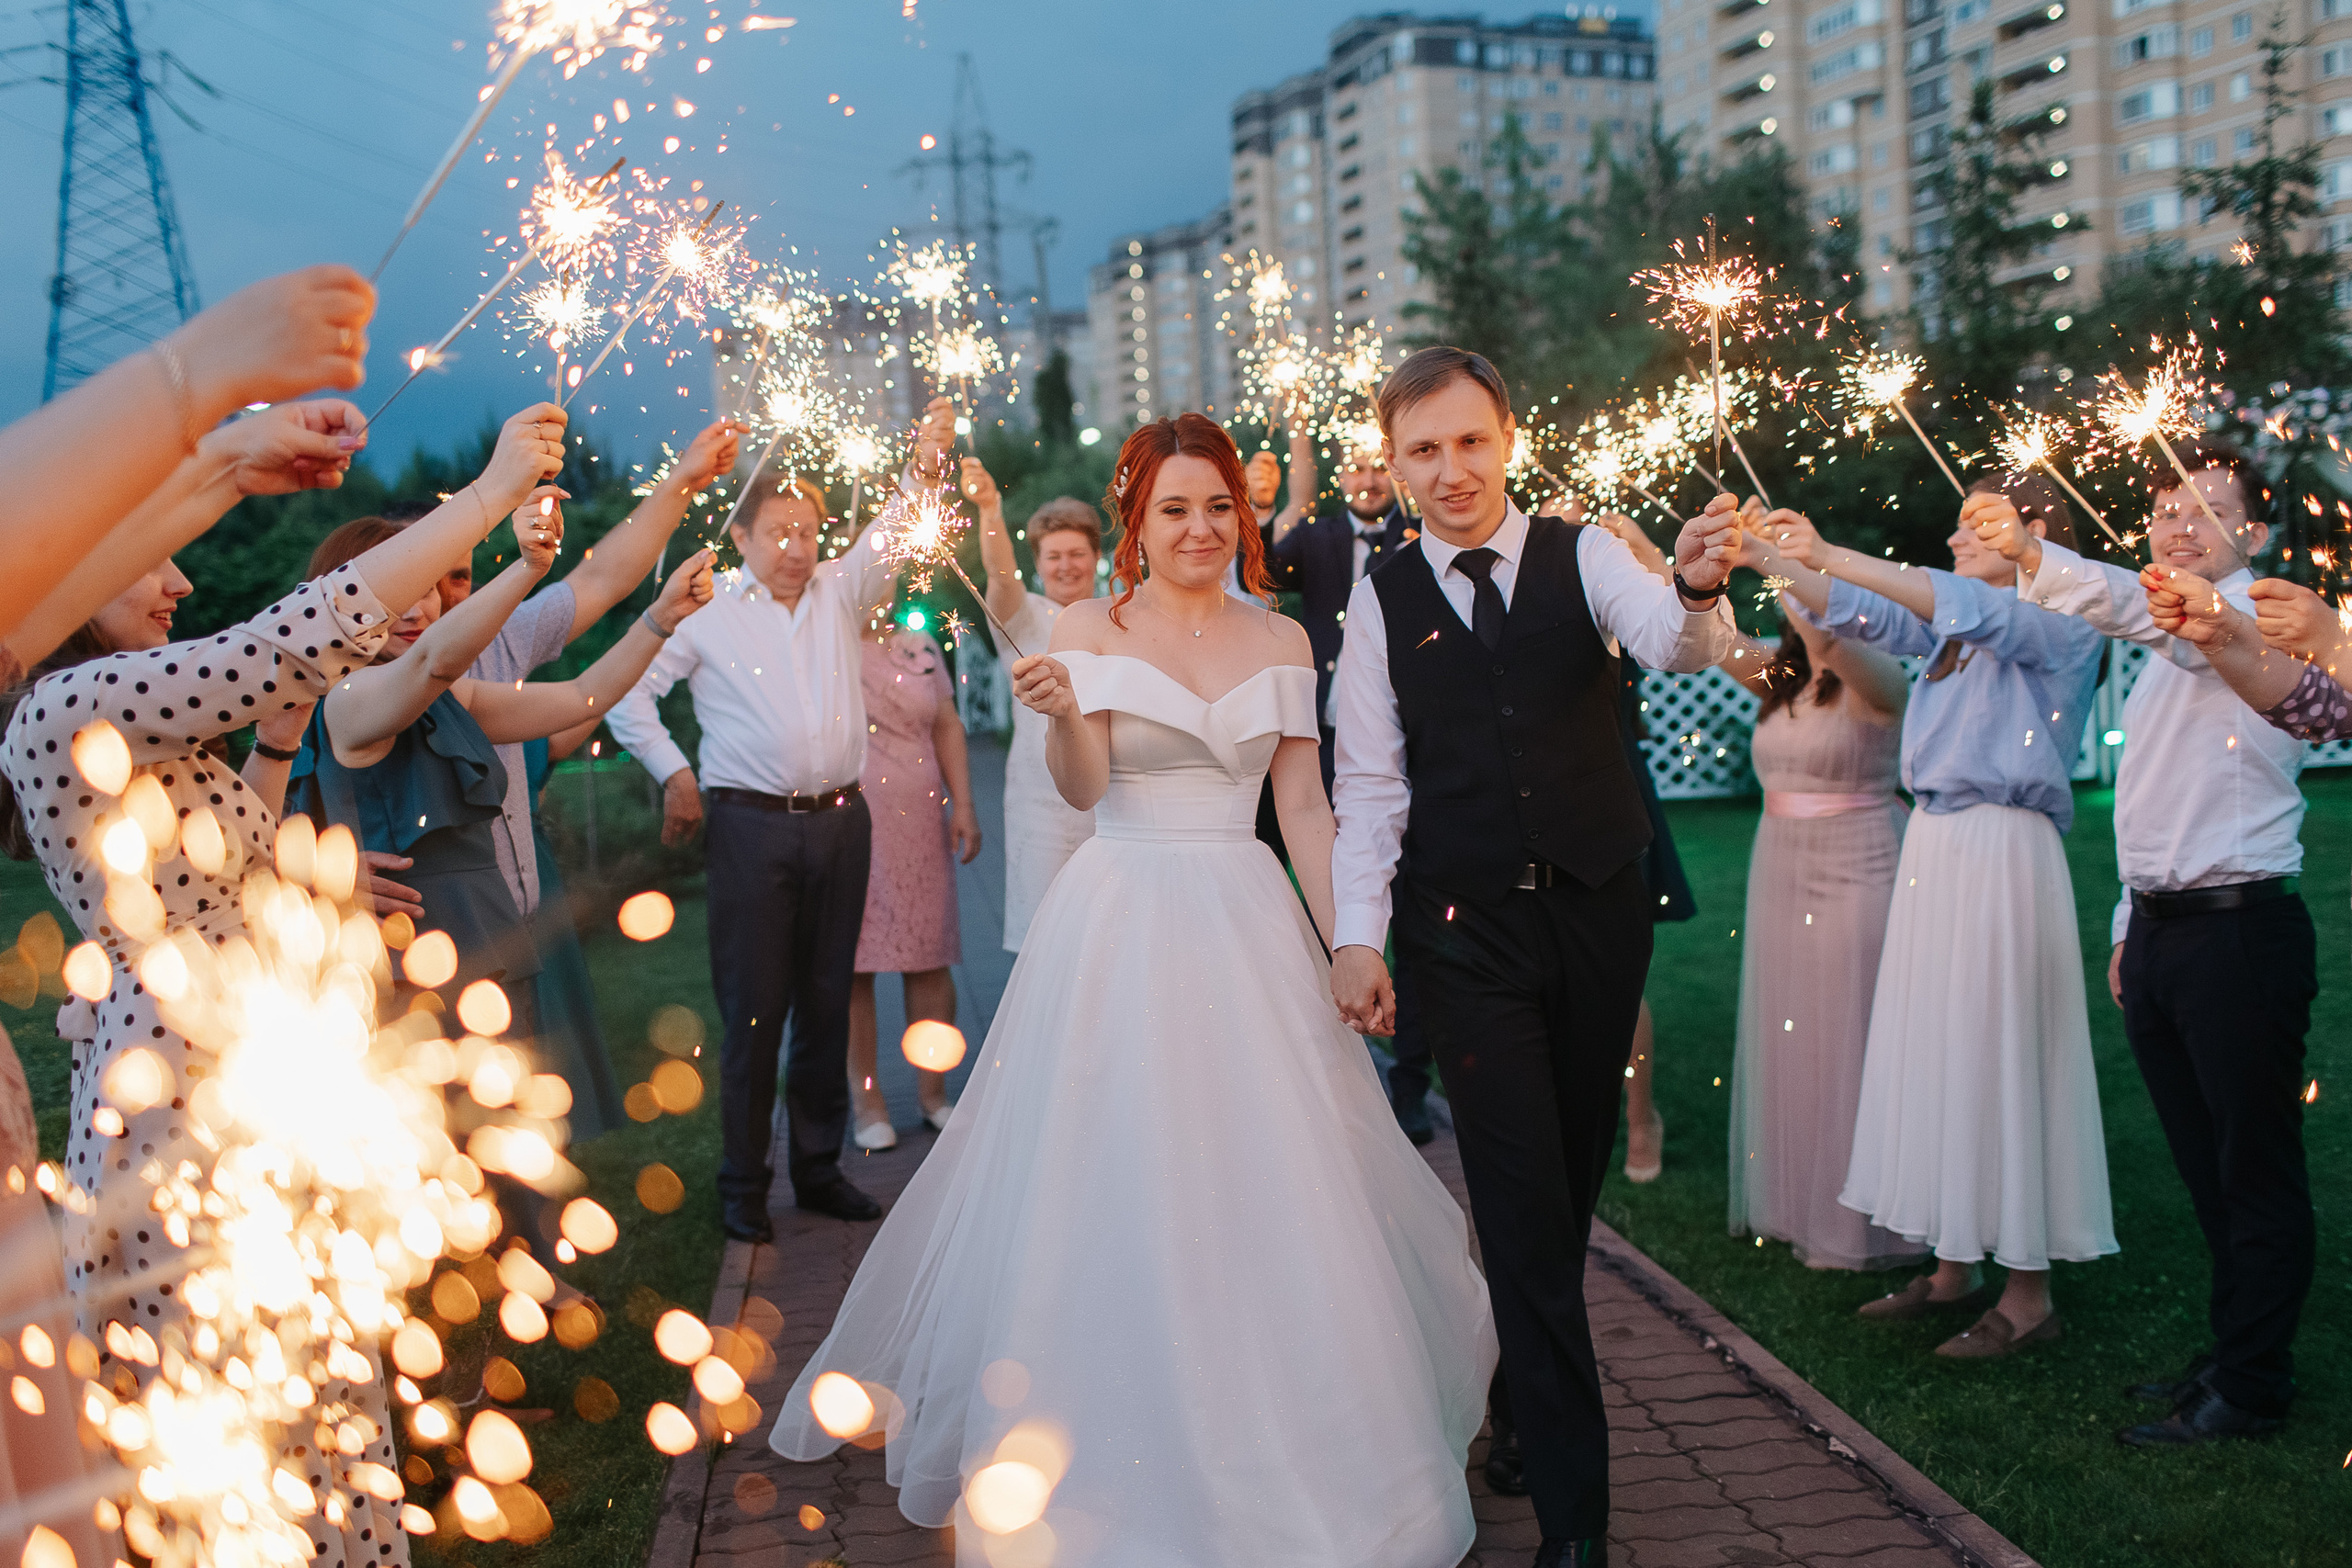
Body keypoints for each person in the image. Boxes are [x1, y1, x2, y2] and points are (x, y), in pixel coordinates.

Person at [770, 412, 1496, 1561]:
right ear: (1137, 522)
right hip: (1122, 914)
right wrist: (1064, 715)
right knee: (1114, 1166)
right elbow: (1084, 786)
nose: (1199, 528)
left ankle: (1290, 1430)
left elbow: (1304, 807)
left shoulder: (1283, 638)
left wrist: (1352, 942)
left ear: (1240, 518)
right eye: (1174, 510)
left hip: (1247, 916)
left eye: (1217, 508)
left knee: (1266, 1168)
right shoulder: (1084, 624)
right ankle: (1104, 1435)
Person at [1, 396, 569, 1568]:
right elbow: (290, 639)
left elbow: (225, 867)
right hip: (184, 1113)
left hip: (239, 1079)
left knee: (312, 1396)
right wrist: (486, 497)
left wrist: (276, 766)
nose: (178, 584)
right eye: (151, 562)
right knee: (249, 1423)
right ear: (70, 585)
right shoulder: (67, 705)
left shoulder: (124, 711)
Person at [1329, 346, 1742, 1567]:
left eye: (1469, 441)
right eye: (1422, 450)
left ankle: (1516, 1395)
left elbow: (1671, 641)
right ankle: (1576, 1522)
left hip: (1597, 916)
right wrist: (1357, 936)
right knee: (1516, 1198)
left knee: (1564, 1187)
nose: (1449, 470)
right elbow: (1371, 783)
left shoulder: (1586, 553)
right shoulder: (1381, 597)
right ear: (1394, 462)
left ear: (1508, 438)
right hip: (1464, 936)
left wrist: (1696, 584)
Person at [1969, 444, 2313, 1447]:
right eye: (2165, 508)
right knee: (2206, 1167)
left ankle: (2252, 1388)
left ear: (2253, 533)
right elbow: (2155, 802)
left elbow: (2125, 601)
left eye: (2206, 508)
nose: (2178, 524)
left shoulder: (2251, 618)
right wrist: (2131, 927)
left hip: (2240, 933)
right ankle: (2232, 1353)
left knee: (2253, 1169)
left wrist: (2031, 554)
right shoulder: (2169, 635)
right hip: (2167, 934)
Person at [1768, 478, 2116, 1358]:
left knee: (2005, 1050)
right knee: (1942, 1047)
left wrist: (1829, 552)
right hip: (1936, 843)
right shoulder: (1949, 630)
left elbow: (1965, 606)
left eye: (1976, 525)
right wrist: (1768, 554)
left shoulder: (2063, 618)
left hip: (2005, 846)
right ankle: (1954, 1265)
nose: (1956, 539)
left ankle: (2029, 1295)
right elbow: (1859, 611)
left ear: (2038, 533)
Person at [609, 400, 958, 1238]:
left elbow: (894, 528)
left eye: (807, 531)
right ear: (742, 535)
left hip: (842, 822)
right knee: (756, 1010)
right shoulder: (707, 606)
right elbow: (628, 696)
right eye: (778, 532)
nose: (796, 547)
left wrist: (926, 460)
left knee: (828, 999)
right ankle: (742, 1188)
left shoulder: (841, 588)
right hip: (750, 829)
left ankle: (818, 1169)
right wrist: (676, 773)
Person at [1713, 531, 1921, 1271]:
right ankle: (1801, 1201)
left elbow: (1831, 641)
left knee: (1851, 1032)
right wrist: (1651, 556)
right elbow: (1712, 638)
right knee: (1795, 1031)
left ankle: (1868, 1220)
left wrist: (1778, 562)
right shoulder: (1783, 680)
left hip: (1858, 867)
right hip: (1780, 871)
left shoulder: (1877, 674)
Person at [846, 608, 981, 1148]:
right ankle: (867, 1103)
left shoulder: (920, 639)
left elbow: (947, 724)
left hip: (919, 817)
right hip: (847, 818)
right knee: (853, 963)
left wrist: (963, 804)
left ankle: (933, 1094)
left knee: (929, 953)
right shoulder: (826, 637)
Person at [967, 458, 1103, 951]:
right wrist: (990, 510)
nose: (1066, 566)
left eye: (1077, 553)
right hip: (1041, 808)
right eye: (1053, 556)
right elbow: (1000, 576)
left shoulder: (1117, 615)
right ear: (1038, 563)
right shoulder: (1021, 616)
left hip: (1113, 805)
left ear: (1096, 557)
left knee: (1108, 942)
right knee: (1047, 946)